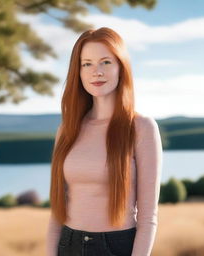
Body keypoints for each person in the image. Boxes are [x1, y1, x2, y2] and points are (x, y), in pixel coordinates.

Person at [46, 27, 163, 256]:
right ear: (78, 72)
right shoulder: (67, 130)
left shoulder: (141, 128)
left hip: (116, 247)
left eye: (105, 62)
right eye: (87, 63)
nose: (96, 72)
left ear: (121, 67)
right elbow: (57, 212)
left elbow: (148, 218)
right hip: (68, 244)